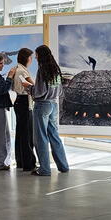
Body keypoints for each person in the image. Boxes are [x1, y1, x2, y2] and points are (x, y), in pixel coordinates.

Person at [31, 45, 69, 176]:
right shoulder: (55, 70)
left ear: (40, 55)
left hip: (42, 106)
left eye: (36, 54)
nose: (35, 57)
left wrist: (29, 88)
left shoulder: (42, 70)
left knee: (40, 138)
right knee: (54, 136)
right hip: (54, 105)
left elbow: (39, 92)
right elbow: (59, 90)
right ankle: (63, 166)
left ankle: (45, 169)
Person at [11, 48, 36, 172]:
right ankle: (28, 164)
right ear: (27, 58)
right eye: (31, 57)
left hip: (19, 101)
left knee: (21, 133)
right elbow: (34, 86)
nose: (32, 60)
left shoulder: (17, 69)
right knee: (27, 134)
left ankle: (21, 161)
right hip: (24, 101)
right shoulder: (22, 71)